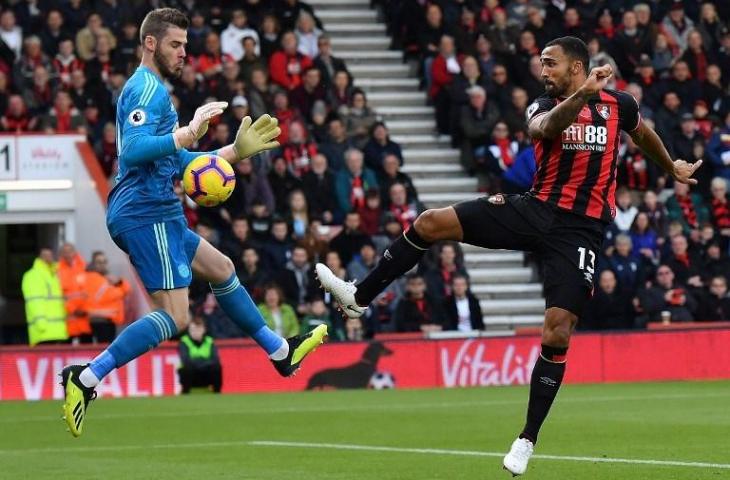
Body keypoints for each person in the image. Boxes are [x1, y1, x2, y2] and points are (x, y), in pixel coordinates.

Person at [315, 36, 701, 475]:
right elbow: (546, 130)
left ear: (576, 66)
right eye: (541, 64)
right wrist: (584, 94)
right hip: (534, 210)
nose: (544, 72)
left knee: (557, 333)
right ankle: (359, 297)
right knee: (428, 223)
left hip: (580, 231)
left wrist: (671, 166)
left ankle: (526, 438)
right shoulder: (542, 105)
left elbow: (642, 132)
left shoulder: (619, 105)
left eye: (551, 64)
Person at [60, 9, 327, 438]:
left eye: (185, 44)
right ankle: (86, 378)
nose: (184, 52)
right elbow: (132, 151)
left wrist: (234, 152)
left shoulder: (156, 92)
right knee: (175, 317)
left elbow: (178, 162)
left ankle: (281, 352)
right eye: (174, 44)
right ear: (150, 43)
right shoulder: (145, 88)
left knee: (221, 268)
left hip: (157, 209)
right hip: (147, 212)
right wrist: (186, 133)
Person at [22, 247, 69, 346]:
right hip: (43, 333)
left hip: (59, 332)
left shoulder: (54, 275)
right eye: (45, 255)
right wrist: (41, 325)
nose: (48, 258)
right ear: (39, 257)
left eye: (50, 255)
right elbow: (34, 302)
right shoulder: (33, 275)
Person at [83, 251, 131, 343]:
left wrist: (118, 282)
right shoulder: (92, 278)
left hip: (108, 320)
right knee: (104, 349)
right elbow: (112, 295)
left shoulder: (106, 277)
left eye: (104, 262)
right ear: (93, 264)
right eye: (99, 262)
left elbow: (127, 289)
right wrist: (118, 285)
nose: (103, 265)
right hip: (101, 320)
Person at [178, 317, 222, 393]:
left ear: (203, 330)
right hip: (191, 375)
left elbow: (215, 360)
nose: (195, 332)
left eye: (197, 329)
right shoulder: (184, 341)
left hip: (206, 374)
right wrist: (204, 362)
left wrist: (198, 363)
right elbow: (185, 360)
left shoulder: (210, 341)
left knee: (217, 367)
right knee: (186, 369)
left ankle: (217, 392)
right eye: (192, 330)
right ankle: (185, 392)